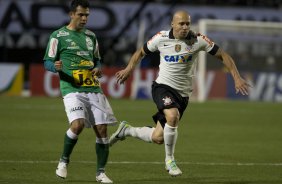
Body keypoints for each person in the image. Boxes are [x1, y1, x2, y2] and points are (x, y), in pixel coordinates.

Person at [109, 10, 251, 177]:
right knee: (172, 116)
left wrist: (236, 77)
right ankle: (170, 161)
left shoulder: (198, 40)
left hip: (183, 95)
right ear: (173, 24)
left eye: (187, 24)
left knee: (158, 137)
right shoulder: (160, 38)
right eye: (181, 24)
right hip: (162, 86)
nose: (185, 27)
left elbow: (223, 55)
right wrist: (128, 68)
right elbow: (140, 52)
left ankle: (126, 130)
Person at [43, 0, 116, 183]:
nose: (84, 18)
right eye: (81, 15)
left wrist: (98, 68)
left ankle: (101, 173)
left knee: (102, 130)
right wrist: (55, 66)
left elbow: (97, 60)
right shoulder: (58, 36)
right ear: (71, 14)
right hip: (71, 88)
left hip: (93, 87)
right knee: (78, 125)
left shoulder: (91, 36)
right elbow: (47, 61)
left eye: (87, 15)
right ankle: (63, 161)